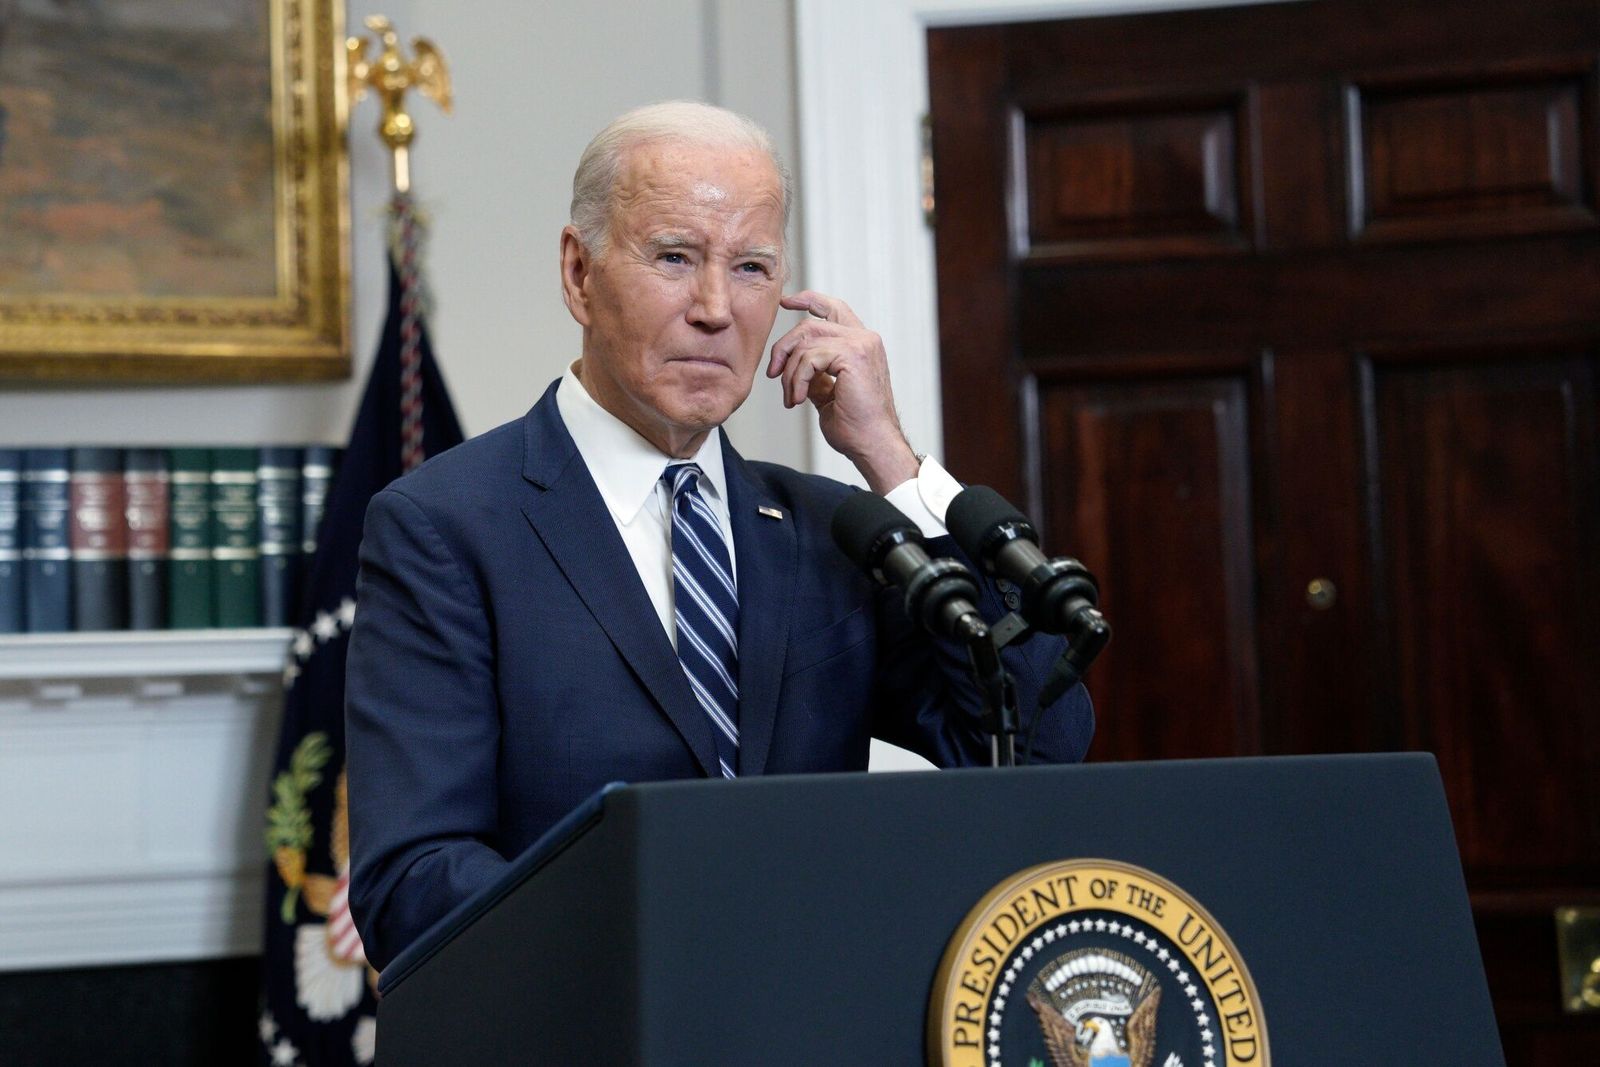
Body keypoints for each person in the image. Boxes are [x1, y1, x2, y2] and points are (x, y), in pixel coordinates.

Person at [345, 101, 1094, 971]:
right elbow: (414, 877)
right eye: (674, 257)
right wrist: (677, 942)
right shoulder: (445, 525)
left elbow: (1038, 737)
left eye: (750, 267)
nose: (715, 308)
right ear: (578, 272)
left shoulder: (834, 530)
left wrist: (890, 458)